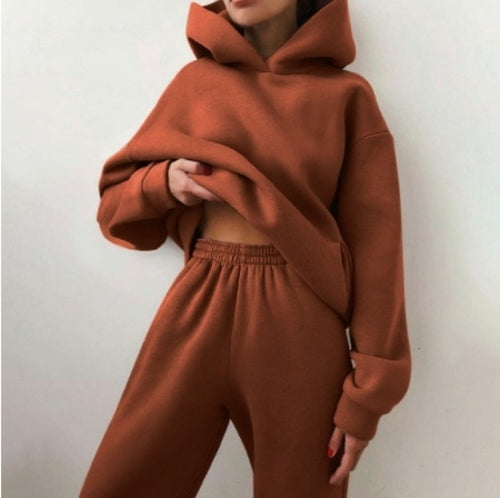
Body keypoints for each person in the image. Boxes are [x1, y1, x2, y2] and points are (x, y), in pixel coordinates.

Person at [79, 0, 412, 496]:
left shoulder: (346, 96)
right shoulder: (196, 83)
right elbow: (114, 206)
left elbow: (378, 249)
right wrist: (164, 182)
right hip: (200, 300)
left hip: (301, 320)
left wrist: (369, 395)